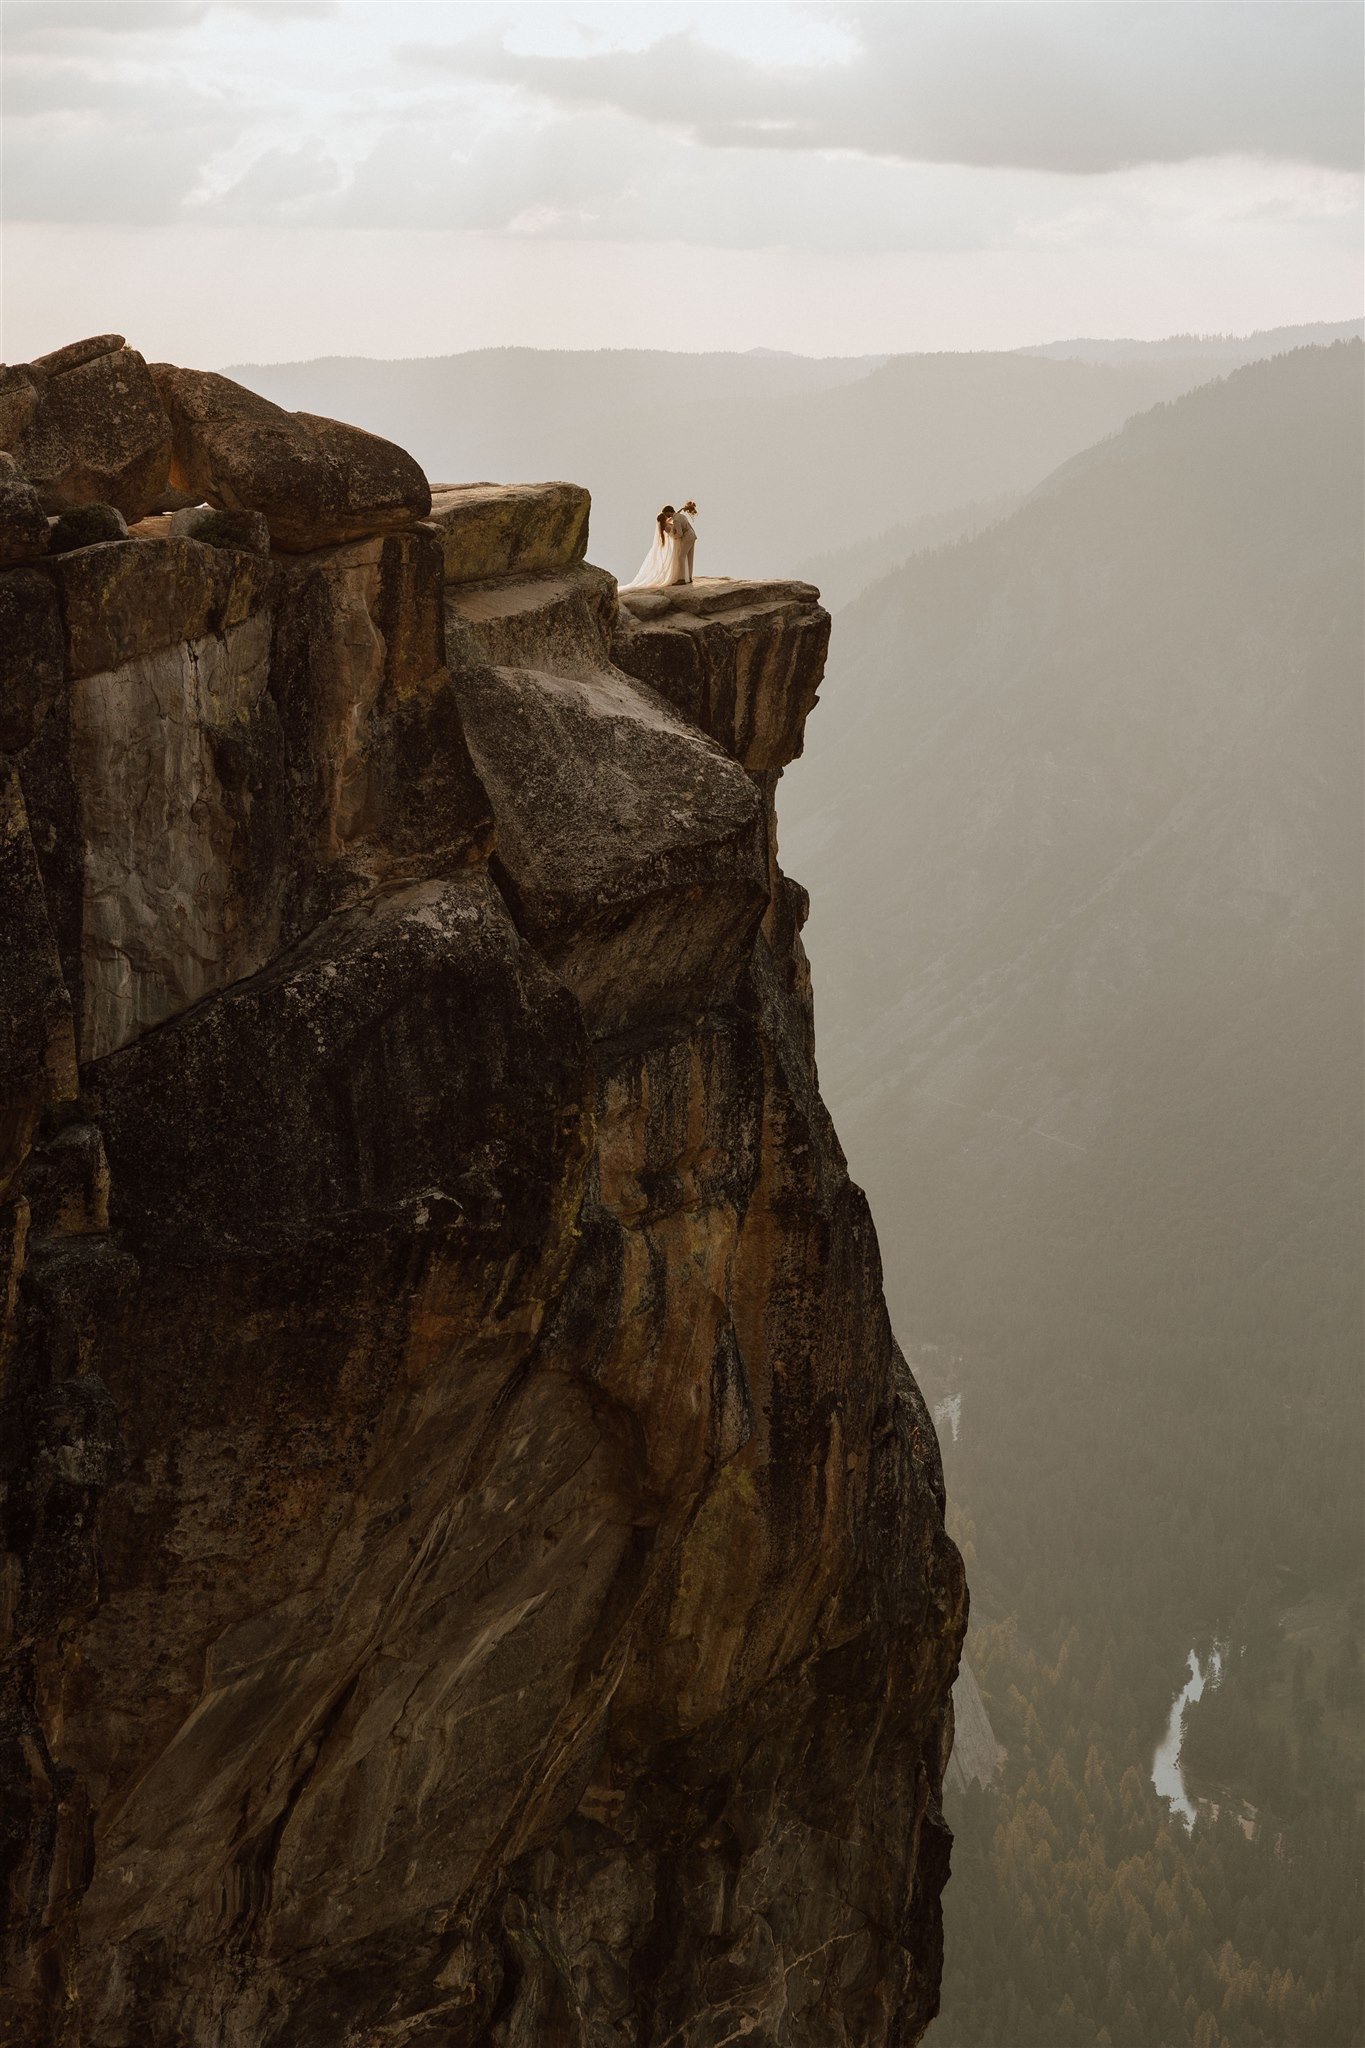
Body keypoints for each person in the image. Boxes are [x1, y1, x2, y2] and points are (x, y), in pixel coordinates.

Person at [621, 504, 680, 591]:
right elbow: (673, 534)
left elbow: (673, 517)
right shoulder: (666, 527)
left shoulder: (665, 524)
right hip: (675, 542)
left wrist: (682, 509)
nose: (667, 517)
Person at [672, 500, 697, 583]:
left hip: (687, 537)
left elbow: (680, 533)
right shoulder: (681, 516)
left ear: (668, 512)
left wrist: (674, 537)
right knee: (690, 557)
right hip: (692, 535)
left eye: (665, 514)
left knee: (681, 557)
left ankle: (682, 579)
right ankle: (689, 577)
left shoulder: (676, 520)